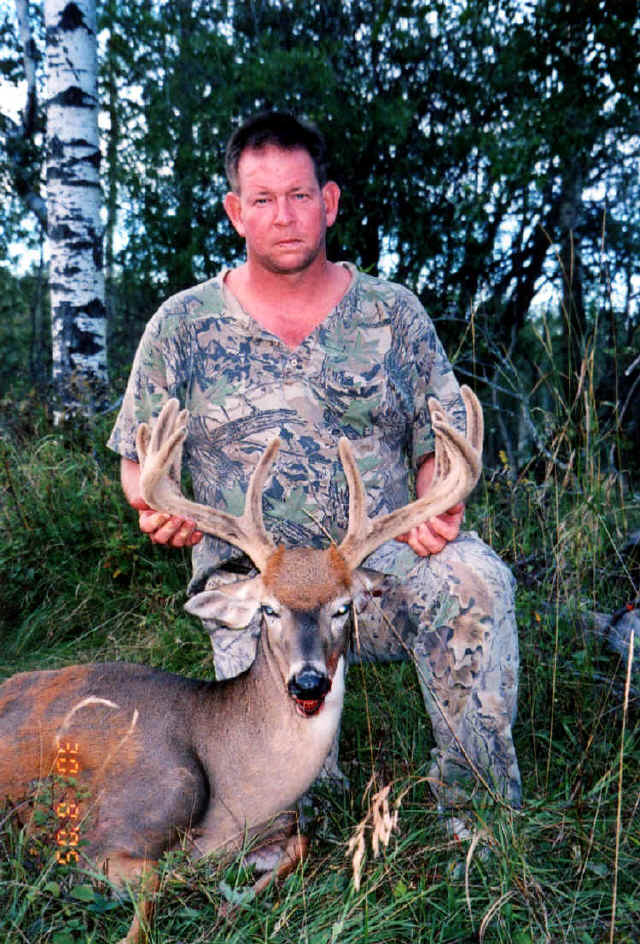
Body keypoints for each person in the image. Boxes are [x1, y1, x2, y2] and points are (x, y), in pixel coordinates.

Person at [107, 111, 521, 812]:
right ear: (237, 213)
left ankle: (478, 813)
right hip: (258, 599)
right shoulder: (181, 325)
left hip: (376, 579)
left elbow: (438, 440)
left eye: (300, 195)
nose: (284, 216)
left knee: (473, 579)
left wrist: (436, 511)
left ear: (328, 202)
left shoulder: (393, 313)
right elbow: (137, 460)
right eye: (263, 200)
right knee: (290, 819)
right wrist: (156, 505)